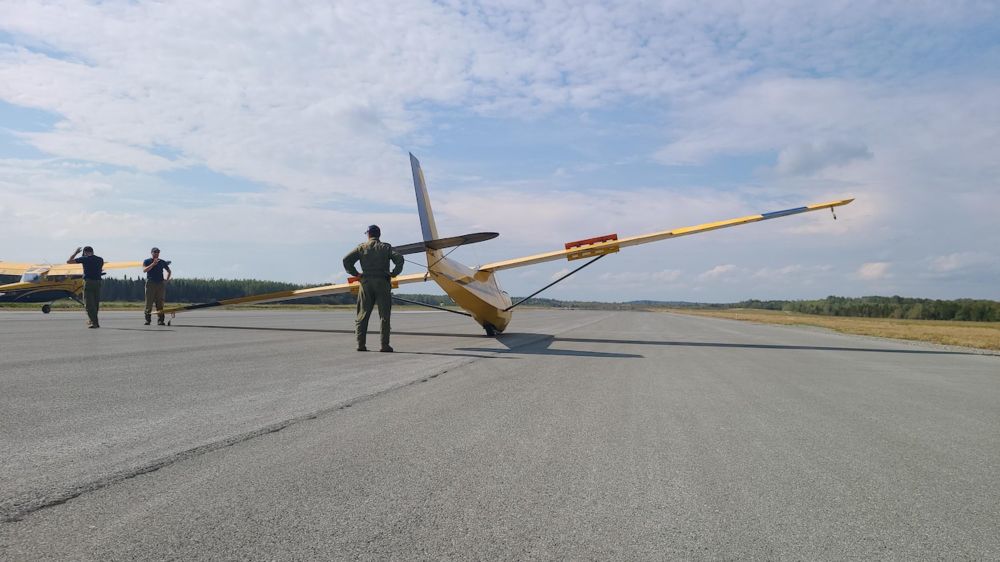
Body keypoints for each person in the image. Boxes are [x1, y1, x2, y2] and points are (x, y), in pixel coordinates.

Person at [343, 225, 404, 352]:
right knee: (384, 315)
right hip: (383, 281)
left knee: (362, 314)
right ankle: (384, 345)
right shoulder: (386, 247)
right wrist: (394, 273)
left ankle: (360, 344)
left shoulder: (361, 247)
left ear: (368, 234)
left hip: (366, 283)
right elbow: (399, 258)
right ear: (379, 235)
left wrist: (356, 274)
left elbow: (346, 260)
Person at [67, 246, 104, 328]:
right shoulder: (100, 259)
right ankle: (92, 320)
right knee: (95, 303)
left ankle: (95, 323)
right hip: (98, 283)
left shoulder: (85, 259)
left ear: (85, 252)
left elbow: (69, 261)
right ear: (93, 251)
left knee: (88, 304)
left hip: (88, 282)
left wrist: (76, 253)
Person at [142, 247, 172, 325]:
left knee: (160, 302)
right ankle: (147, 320)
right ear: (151, 253)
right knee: (149, 302)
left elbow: (169, 271)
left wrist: (166, 280)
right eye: (155, 252)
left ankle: (160, 320)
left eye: (158, 252)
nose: (157, 253)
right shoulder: (147, 261)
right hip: (150, 283)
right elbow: (144, 270)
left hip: (160, 284)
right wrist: (153, 264)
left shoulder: (162, 262)